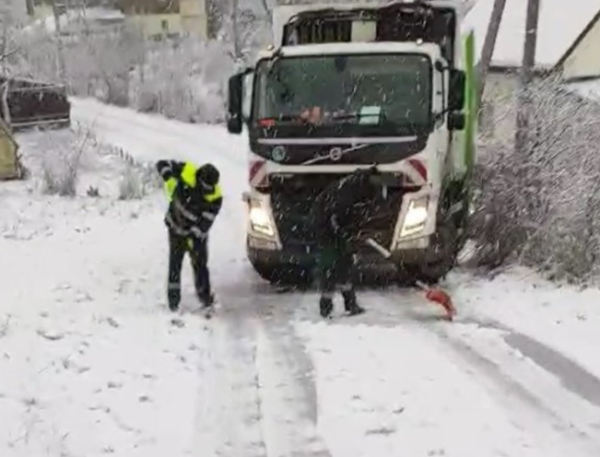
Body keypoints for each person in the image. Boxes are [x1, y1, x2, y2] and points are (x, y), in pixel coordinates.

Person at [312, 165, 383, 318]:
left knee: (345, 263)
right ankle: (326, 306)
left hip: (336, 228)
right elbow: (334, 217)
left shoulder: (354, 187)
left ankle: (350, 304)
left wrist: (354, 232)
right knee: (330, 265)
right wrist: (345, 234)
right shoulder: (345, 193)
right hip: (326, 231)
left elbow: (351, 216)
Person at [156, 159, 223, 312]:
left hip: (196, 235)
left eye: (209, 188)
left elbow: (205, 223)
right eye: (204, 186)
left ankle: (205, 297)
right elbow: (162, 164)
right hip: (175, 227)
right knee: (175, 264)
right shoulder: (187, 172)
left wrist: (194, 236)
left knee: (200, 264)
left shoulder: (215, 198)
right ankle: (173, 302)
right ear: (199, 178)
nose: (206, 190)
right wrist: (167, 174)